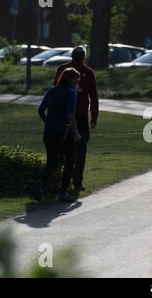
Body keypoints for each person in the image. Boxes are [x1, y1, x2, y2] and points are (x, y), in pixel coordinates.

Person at [53, 47, 99, 192]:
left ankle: (59, 180)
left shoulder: (62, 69)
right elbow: (94, 97)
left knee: (61, 146)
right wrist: (94, 117)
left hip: (63, 114)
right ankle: (77, 181)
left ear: (71, 55)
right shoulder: (89, 72)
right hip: (80, 115)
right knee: (80, 148)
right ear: (84, 57)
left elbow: (55, 89)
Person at [34, 68, 82, 203]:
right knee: (69, 160)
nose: (77, 83)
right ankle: (63, 192)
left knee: (52, 161)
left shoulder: (52, 90)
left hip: (49, 132)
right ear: (70, 79)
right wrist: (77, 133)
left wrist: (48, 122)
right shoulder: (71, 93)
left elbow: (41, 110)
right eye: (76, 80)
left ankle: (40, 181)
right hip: (65, 133)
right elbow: (70, 114)